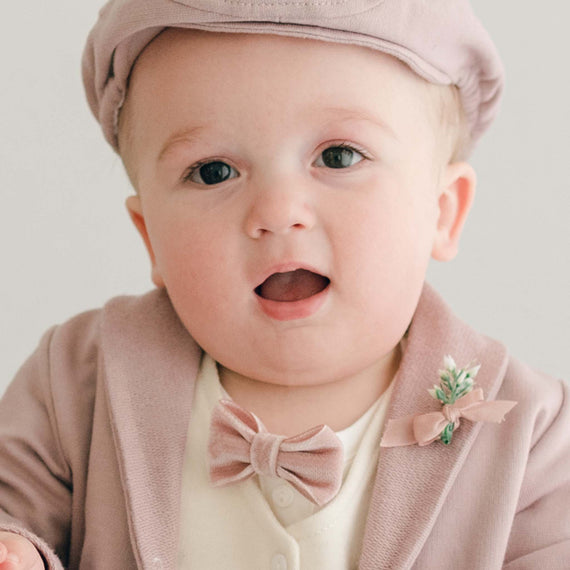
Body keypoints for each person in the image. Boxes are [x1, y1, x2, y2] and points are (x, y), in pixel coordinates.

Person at [0, 1, 568, 568]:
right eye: (213, 171)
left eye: (338, 157)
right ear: (152, 239)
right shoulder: (76, 387)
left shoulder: (528, 439)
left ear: (442, 213)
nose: (277, 211)